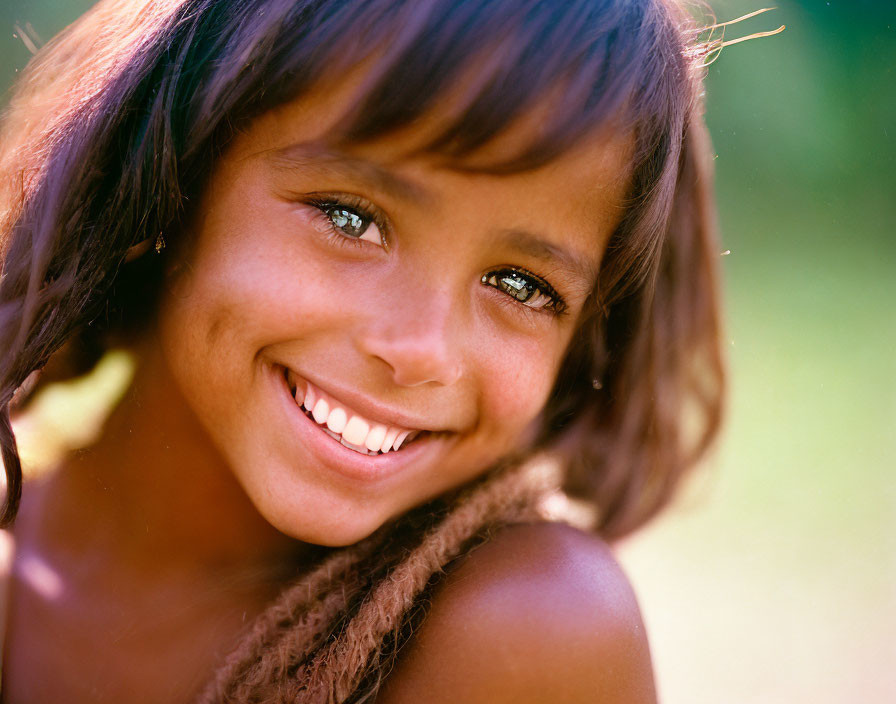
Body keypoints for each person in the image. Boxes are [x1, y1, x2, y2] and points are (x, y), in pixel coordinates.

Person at [0, 0, 727, 701]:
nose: (420, 350)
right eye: (352, 218)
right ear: (176, 168)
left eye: (519, 284)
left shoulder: (532, 627)